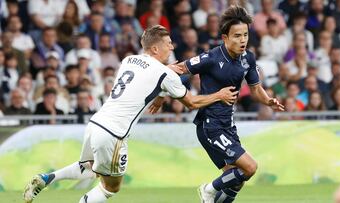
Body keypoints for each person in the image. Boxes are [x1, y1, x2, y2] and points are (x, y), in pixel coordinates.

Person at [23, 25, 238, 203]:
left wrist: (162, 91)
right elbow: (191, 102)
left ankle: (48, 177)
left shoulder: (128, 60)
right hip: (114, 134)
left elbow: (153, 76)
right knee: (110, 187)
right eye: (167, 43)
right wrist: (218, 95)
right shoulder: (163, 73)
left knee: (89, 167)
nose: (172, 46)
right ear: (155, 48)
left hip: (96, 123)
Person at [152, 6, 284, 203]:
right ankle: (209, 189)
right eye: (237, 36)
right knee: (249, 167)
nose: (243, 40)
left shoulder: (248, 58)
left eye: (245, 35)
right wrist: (162, 95)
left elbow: (256, 89)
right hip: (209, 125)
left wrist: (268, 100)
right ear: (225, 38)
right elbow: (176, 70)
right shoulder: (211, 57)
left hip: (228, 125)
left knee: (236, 180)